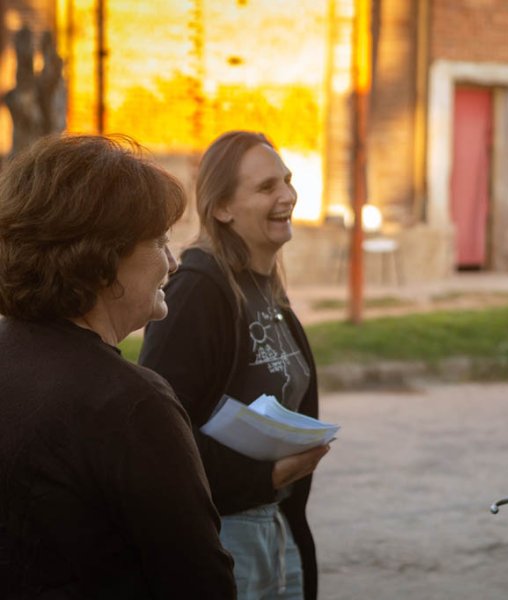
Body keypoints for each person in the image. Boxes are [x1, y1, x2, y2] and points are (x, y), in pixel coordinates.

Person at [0, 135, 236, 598]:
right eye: (159, 242)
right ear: (101, 260)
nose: (172, 263)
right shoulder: (128, 403)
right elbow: (199, 580)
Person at [139, 131, 329, 600]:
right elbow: (158, 436)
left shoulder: (263, 283)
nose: (287, 196)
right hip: (226, 536)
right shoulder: (197, 290)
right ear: (222, 207)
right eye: (266, 187)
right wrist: (266, 477)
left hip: (278, 526)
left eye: (287, 180)